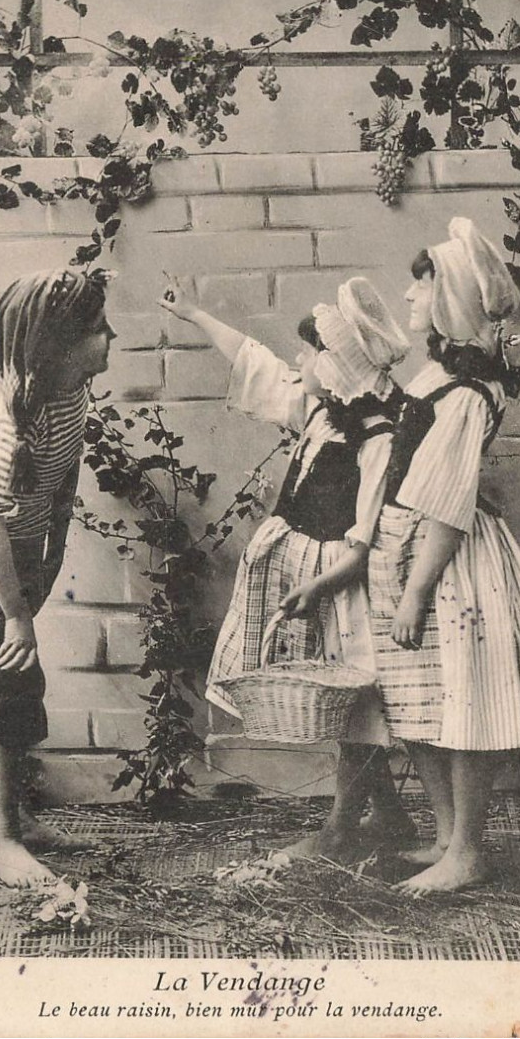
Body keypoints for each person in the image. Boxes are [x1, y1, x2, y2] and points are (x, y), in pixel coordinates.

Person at [367, 217, 520, 894]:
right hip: (405, 543)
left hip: (448, 561)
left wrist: (414, 589)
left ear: (452, 299)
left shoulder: (467, 391)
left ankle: (467, 848)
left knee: (462, 704)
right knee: (418, 700)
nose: (409, 298)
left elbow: (448, 501)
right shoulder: (437, 373)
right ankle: (443, 836)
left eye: (421, 285)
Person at [159, 278, 415, 862]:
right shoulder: (321, 409)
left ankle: (341, 827)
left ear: (338, 363)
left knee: (352, 703)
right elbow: (257, 362)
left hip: (341, 589)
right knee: (333, 703)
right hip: (301, 579)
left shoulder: (378, 438)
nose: (299, 363)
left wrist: (316, 587)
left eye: (310, 353)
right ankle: (390, 816)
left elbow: (364, 544)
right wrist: (195, 313)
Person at [0, 268, 117, 888]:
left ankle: (15, 820)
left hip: (17, 542)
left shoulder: (71, 389)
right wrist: (15, 612)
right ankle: (3, 840)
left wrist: (53, 547)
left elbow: (63, 479)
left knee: (6, 680)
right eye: (97, 329)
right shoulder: (16, 423)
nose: (111, 335)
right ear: (56, 346)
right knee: (8, 682)